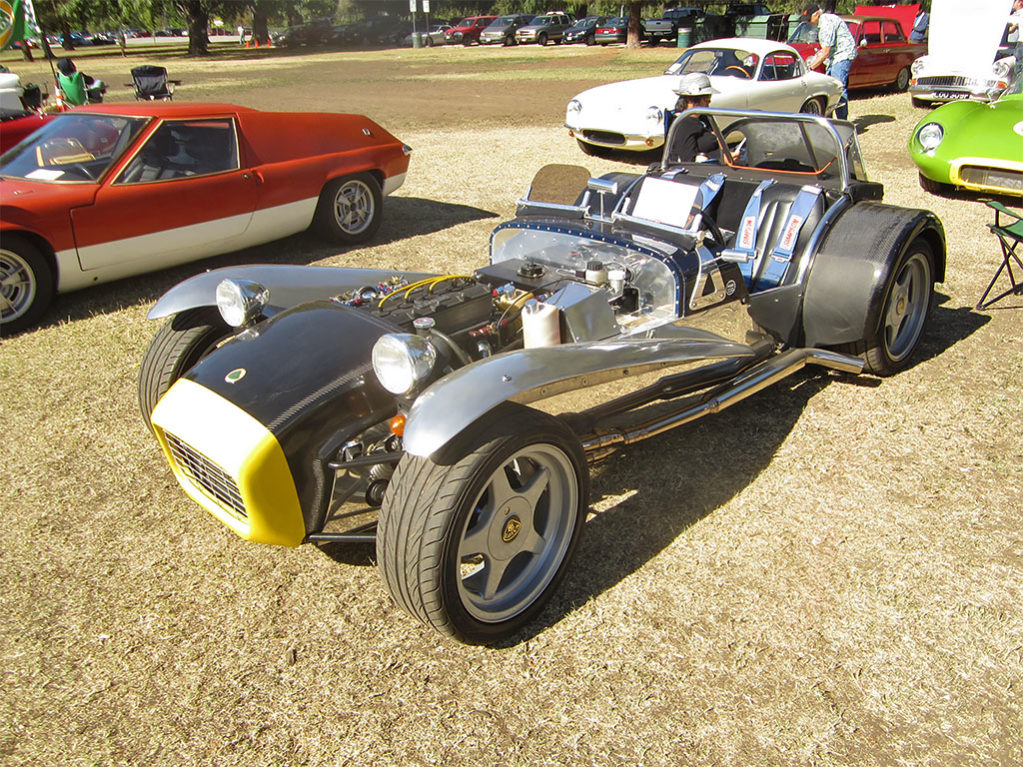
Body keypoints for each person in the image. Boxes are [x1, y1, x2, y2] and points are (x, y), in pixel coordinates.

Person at [802, 2, 856, 120]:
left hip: (842, 55)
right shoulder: (822, 23)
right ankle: (829, 120)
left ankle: (842, 122)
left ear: (816, 14)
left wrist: (809, 69)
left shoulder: (826, 23)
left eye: (808, 19)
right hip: (833, 57)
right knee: (827, 88)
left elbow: (825, 53)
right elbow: (824, 50)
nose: (808, 22)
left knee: (837, 87)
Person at [666, 72, 720, 163]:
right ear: (693, 100)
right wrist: (721, 159)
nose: (709, 103)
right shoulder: (684, 124)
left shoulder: (703, 117)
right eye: (706, 99)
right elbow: (687, 161)